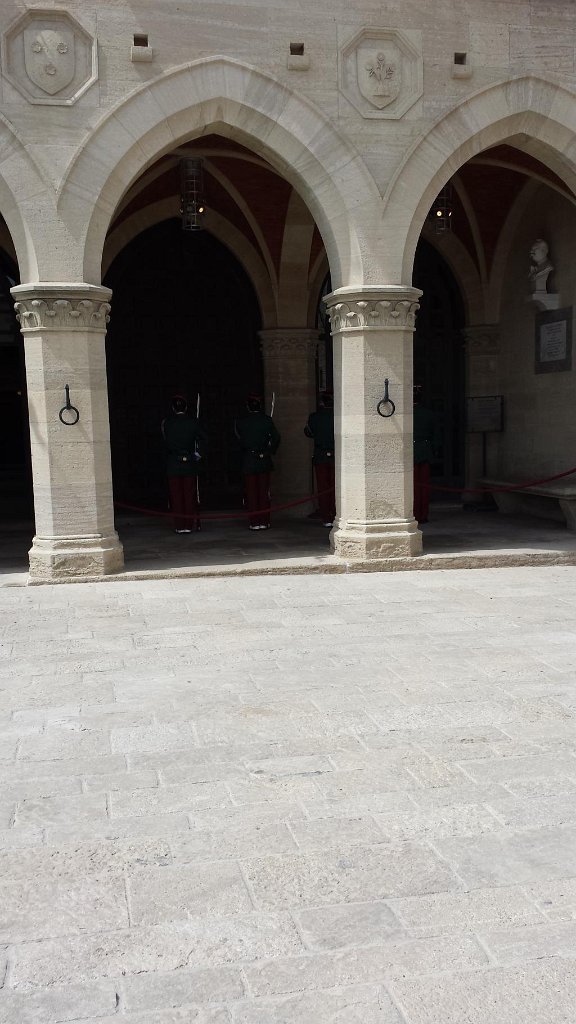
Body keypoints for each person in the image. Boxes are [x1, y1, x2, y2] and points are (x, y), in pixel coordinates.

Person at [161, 394, 207, 533]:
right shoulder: (193, 422)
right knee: (188, 495)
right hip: (189, 463)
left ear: (173, 408)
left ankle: (179, 525)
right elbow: (204, 439)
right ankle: (188, 524)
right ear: (186, 407)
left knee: (176, 496)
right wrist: (197, 454)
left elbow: (165, 442)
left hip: (173, 463)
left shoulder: (166, 423)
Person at [235, 394, 280, 530]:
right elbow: (276, 438)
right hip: (263, 459)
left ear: (248, 407)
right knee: (264, 492)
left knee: (252, 493)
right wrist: (269, 450)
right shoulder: (267, 420)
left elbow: (239, 441)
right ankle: (264, 521)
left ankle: (254, 522)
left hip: (249, 459)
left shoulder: (241, 422)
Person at [305, 391, 336, 527]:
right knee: (335, 487)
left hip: (321, 455)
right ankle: (335, 514)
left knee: (323, 488)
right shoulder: (337, 415)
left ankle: (326, 517)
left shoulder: (314, 417)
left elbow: (308, 432)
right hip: (335, 455)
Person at [413, 386, 440, 525]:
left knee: (413, 487)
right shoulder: (429, 414)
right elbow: (436, 437)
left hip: (410, 451)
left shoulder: (406, 414)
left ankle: (414, 513)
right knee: (423, 486)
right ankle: (423, 515)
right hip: (425, 450)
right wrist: (434, 451)